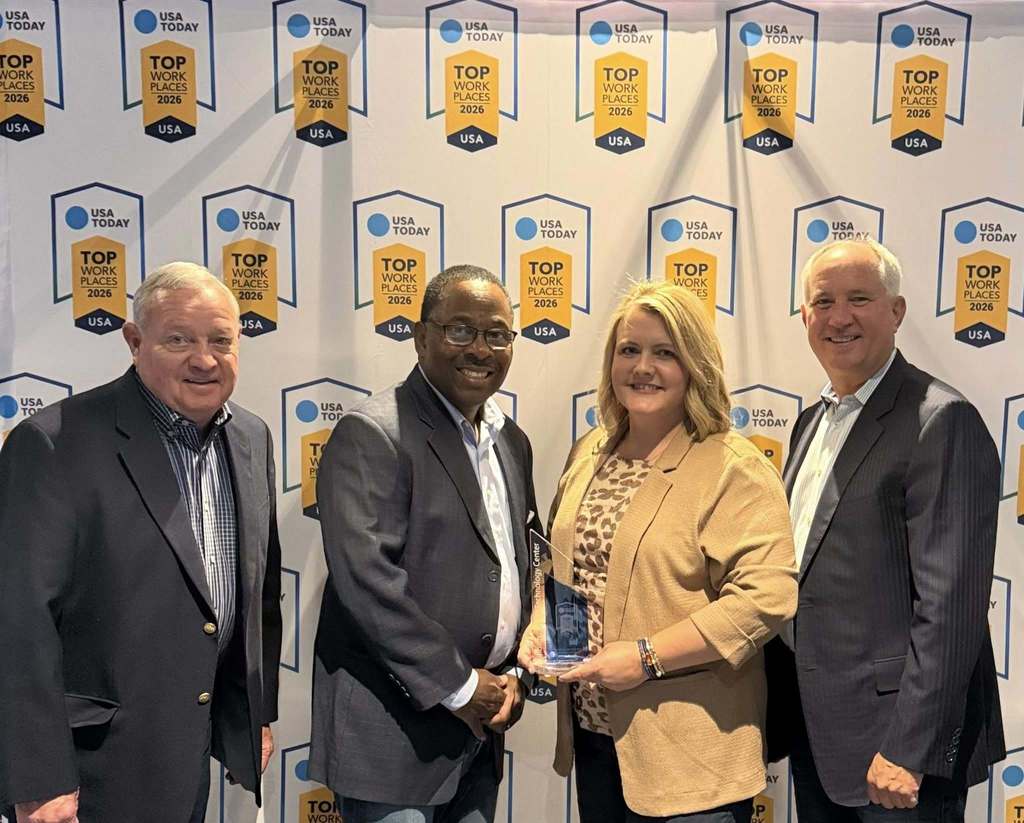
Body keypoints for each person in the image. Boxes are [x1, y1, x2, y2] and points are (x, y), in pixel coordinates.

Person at [0, 262, 282, 823]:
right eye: (178, 338)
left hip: (191, 753)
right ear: (134, 341)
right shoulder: (55, 443)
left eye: (221, 340)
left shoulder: (251, 436)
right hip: (89, 770)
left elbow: (256, 590)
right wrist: (37, 778)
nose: (204, 359)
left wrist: (252, 712)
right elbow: (17, 622)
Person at [520, 280, 798, 823]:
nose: (643, 367)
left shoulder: (731, 467)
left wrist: (647, 657)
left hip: (690, 759)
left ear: (695, 363)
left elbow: (767, 596)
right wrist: (542, 624)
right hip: (595, 740)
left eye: (663, 352)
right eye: (630, 350)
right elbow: (562, 563)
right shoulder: (591, 451)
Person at [765, 238, 1005, 821]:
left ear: (896, 312)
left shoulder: (940, 420)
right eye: (823, 302)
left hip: (896, 754)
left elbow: (951, 609)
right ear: (804, 316)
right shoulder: (809, 425)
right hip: (819, 734)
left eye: (859, 299)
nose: (839, 317)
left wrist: (909, 750)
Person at [309, 265, 538, 822]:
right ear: (421, 336)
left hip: (479, 737)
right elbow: (369, 585)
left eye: (497, 334)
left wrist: (518, 677)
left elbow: (521, 567)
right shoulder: (375, 433)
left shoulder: (510, 441)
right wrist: (462, 687)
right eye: (460, 330)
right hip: (392, 739)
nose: (480, 349)